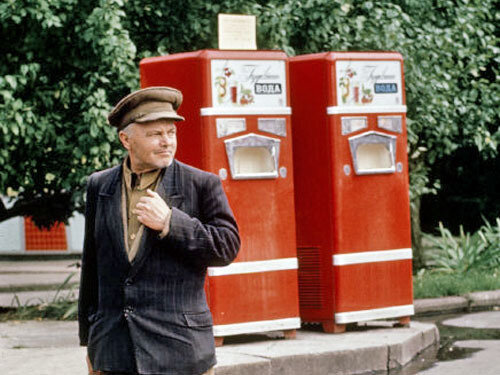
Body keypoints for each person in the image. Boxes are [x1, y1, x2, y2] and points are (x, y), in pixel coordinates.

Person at [78, 86, 240, 375]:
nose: (167, 142)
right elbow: (92, 268)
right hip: (114, 352)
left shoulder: (201, 184)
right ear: (126, 139)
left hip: (180, 352)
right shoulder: (100, 185)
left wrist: (170, 223)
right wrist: (90, 342)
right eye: (155, 134)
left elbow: (227, 246)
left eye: (171, 132)